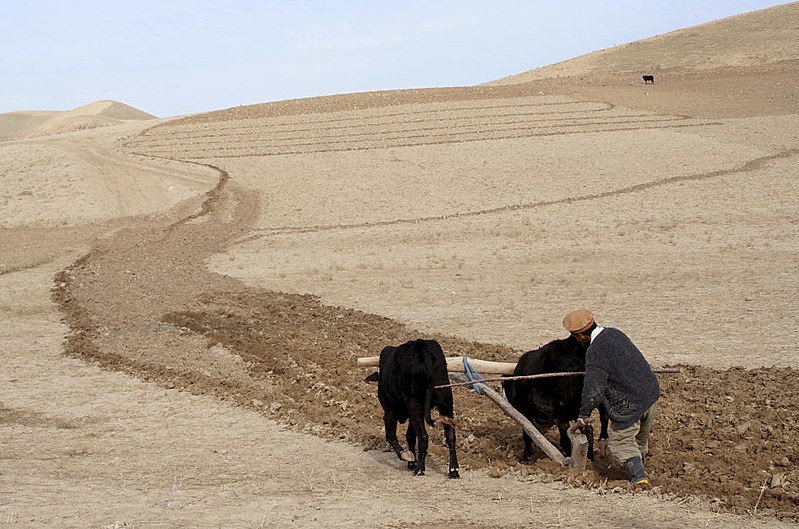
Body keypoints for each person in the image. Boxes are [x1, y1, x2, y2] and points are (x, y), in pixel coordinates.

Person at [563, 309, 660, 487]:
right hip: (650, 393)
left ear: (579, 335)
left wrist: (584, 413)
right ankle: (640, 463)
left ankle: (639, 479)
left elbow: (594, 389)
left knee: (620, 441)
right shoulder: (614, 333)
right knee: (639, 438)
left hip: (630, 401)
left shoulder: (595, 352)